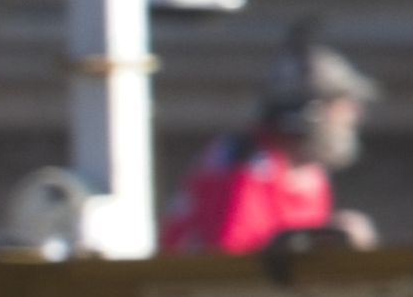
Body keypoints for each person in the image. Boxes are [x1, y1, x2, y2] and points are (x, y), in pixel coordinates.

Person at [158, 24, 383, 257]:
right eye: (341, 106)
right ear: (309, 111)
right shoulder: (245, 165)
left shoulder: (309, 174)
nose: (354, 117)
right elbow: (231, 265)